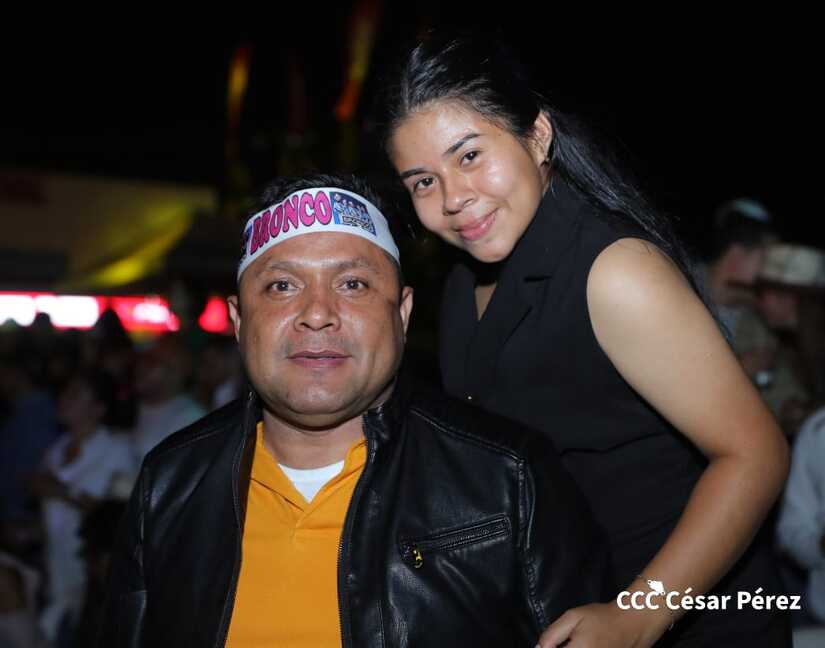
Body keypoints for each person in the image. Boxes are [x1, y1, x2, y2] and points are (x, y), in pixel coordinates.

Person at [382, 31, 791, 647]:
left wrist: (637, 615)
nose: (453, 198)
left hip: (692, 620)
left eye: (469, 156)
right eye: (422, 182)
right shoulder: (466, 282)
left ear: (537, 135)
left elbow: (756, 454)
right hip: (570, 608)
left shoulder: (614, 271)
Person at [98, 174, 608, 647]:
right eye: (282, 286)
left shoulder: (508, 478)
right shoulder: (168, 484)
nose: (317, 314)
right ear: (238, 319)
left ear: (402, 313)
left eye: (353, 284)